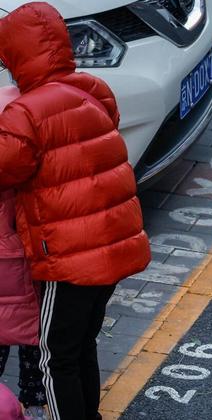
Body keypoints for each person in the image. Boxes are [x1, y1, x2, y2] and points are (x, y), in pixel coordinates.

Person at [0, 3, 151, 419]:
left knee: (55, 357)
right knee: (82, 344)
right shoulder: (92, 88)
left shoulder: (25, 112)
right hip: (115, 246)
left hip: (70, 258)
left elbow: (6, 167)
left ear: (16, 56)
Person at [0, 86, 47, 420]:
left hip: (14, 266)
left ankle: (27, 402)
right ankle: (32, 403)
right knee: (36, 339)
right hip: (30, 264)